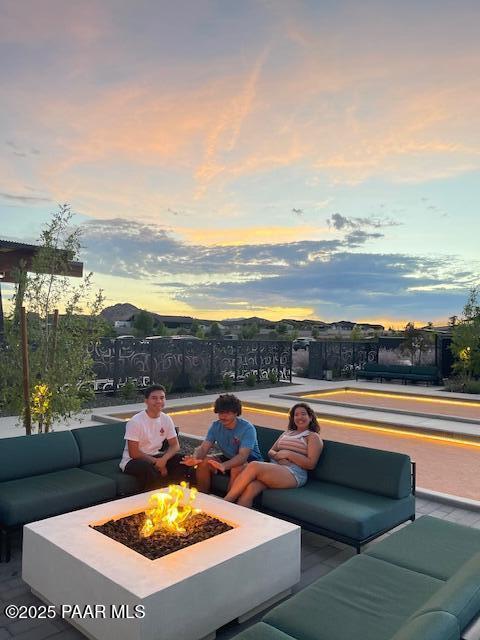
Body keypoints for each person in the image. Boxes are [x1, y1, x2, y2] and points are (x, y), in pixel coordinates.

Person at [224, 402, 323, 507]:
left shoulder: (312, 437)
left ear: (310, 417)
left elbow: (311, 464)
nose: (299, 417)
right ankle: (237, 519)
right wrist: (277, 456)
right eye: (296, 415)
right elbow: (271, 451)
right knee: (250, 489)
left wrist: (288, 454)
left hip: (294, 473)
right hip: (276, 468)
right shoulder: (287, 433)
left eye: (303, 414)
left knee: (254, 465)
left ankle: (226, 503)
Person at [181, 394, 263, 493]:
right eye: (220, 413)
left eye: (227, 413)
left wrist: (224, 465)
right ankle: (203, 497)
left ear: (236, 413)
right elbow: (203, 448)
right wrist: (195, 458)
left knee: (236, 468)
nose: (223, 417)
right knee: (204, 462)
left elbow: (243, 456)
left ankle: (228, 503)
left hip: (251, 462)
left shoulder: (247, 428)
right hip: (228, 458)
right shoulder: (216, 426)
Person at [119, 384, 183, 490]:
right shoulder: (136, 421)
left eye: (162, 398)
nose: (158, 401)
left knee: (182, 460)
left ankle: (175, 493)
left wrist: (163, 460)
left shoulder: (166, 419)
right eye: (154, 398)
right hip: (132, 461)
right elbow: (133, 453)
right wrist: (157, 462)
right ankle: (155, 501)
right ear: (146, 401)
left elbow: (175, 445)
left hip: (156, 456)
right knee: (149, 469)